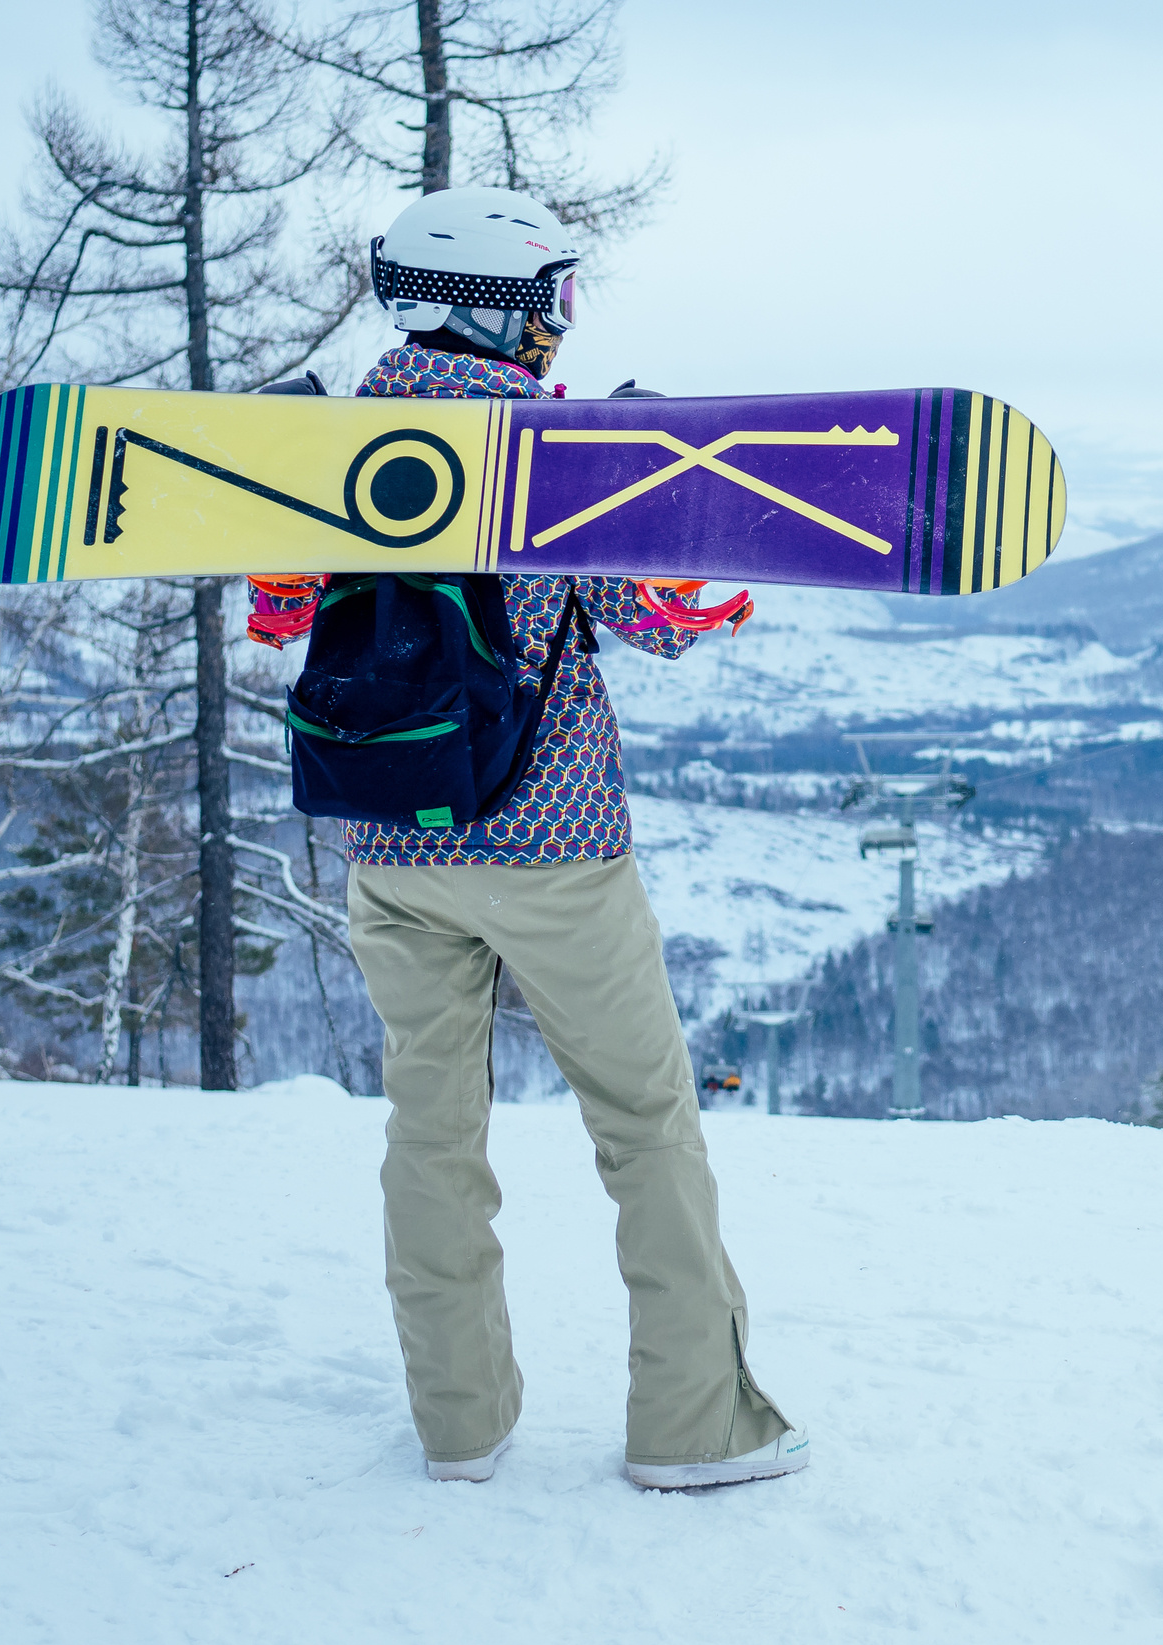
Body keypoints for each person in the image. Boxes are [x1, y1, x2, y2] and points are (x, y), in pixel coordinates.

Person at [255, 188, 805, 1490]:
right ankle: (693, 1428)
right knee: (645, 1121)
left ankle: (460, 1423)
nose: (560, 325)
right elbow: (662, 616)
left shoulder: (324, 442)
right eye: (550, 297)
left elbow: (283, 610)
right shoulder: (551, 449)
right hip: (552, 844)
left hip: (392, 848)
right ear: (495, 304)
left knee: (430, 1131)